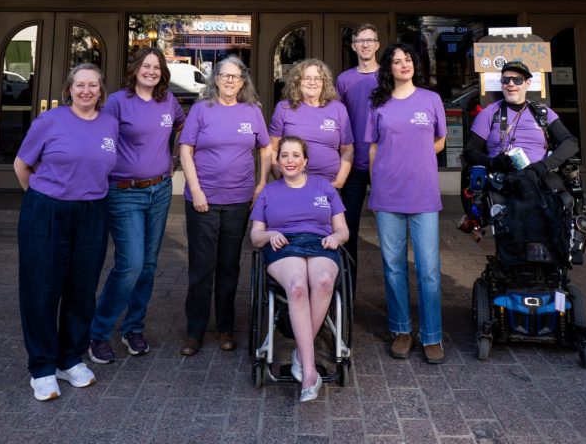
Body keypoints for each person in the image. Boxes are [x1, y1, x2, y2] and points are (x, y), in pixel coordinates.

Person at [13, 63, 118, 402]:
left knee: (82, 288)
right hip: (47, 212)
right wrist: (43, 199)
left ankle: (69, 358)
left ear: (101, 91)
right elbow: (22, 165)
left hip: (92, 212)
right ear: (69, 89)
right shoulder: (50, 121)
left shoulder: (110, 124)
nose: (86, 91)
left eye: (92, 85)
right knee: (42, 289)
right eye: (79, 85)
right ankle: (42, 367)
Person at [88, 47, 185, 364]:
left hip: (160, 189)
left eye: (157, 67)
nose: (151, 71)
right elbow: (98, 136)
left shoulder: (168, 101)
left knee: (149, 265)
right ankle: (98, 333)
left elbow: (183, 127)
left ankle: (133, 328)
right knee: (130, 264)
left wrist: (174, 157)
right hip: (124, 191)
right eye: (146, 65)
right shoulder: (117, 102)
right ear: (135, 69)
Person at [179, 55, 271, 355]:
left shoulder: (252, 111)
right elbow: (186, 150)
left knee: (229, 267)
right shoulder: (201, 110)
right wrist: (195, 189)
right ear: (215, 79)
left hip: (238, 201)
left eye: (236, 76)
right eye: (224, 75)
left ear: (243, 82)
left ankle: (226, 327)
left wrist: (261, 184)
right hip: (203, 201)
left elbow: (266, 149)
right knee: (202, 268)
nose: (230, 80)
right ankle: (195, 330)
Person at [250, 135, 349, 403]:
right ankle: (309, 371)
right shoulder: (269, 191)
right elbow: (255, 236)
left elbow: (343, 230)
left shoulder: (323, 186)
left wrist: (336, 238)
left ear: (305, 160)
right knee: (296, 286)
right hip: (283, 245)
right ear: (278, 161)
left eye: (295, 155)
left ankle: (299, 352)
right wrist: (270, 235)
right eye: (284, 155)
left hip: (320, 243)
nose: (290, 160)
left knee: (325, 282)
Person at [367, 42, 447, 364]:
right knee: (393, 267)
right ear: (388, 68)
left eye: (408, 59)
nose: (404, 65)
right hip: (388, 194)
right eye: (397, 61)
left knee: (429, 269)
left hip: (424, 193)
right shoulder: (379, 103)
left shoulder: (431, 100)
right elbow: (373, 147)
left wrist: (420, 156)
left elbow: (440, 141)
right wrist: (377, 183)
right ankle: (401, 331)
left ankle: (432, 336)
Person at [463, 60, 579, 176]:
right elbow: (470, 150)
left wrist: (545, 165)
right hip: (502, 177)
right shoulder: (489, 113)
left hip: (538, 176)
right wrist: (492, 162)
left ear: (527, 83)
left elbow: (571, 142)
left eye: (518, 80)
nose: (511, 84)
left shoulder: (543, 113)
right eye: (506, 80)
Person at [336, 24, 380, 289]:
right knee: (348, 230)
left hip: (384, 165)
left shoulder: (388, 76)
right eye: (360, 40)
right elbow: (338, 120)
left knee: (391, 234)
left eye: (370, 40)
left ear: (377, 45)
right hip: (351, 164)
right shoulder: (344, 80)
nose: (365, 45)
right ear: (353, 46)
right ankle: (347, 295)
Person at [270, 58, 353, 188]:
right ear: (298, 82)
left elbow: (347, 151)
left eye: (318, 78)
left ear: (324, 83)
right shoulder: (284, 108)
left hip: (328, 184)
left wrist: (339, 182)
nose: (312, 82)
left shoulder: (338, 109)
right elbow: (273, 148)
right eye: (307, 78)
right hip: (292, 184)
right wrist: (281, 178)